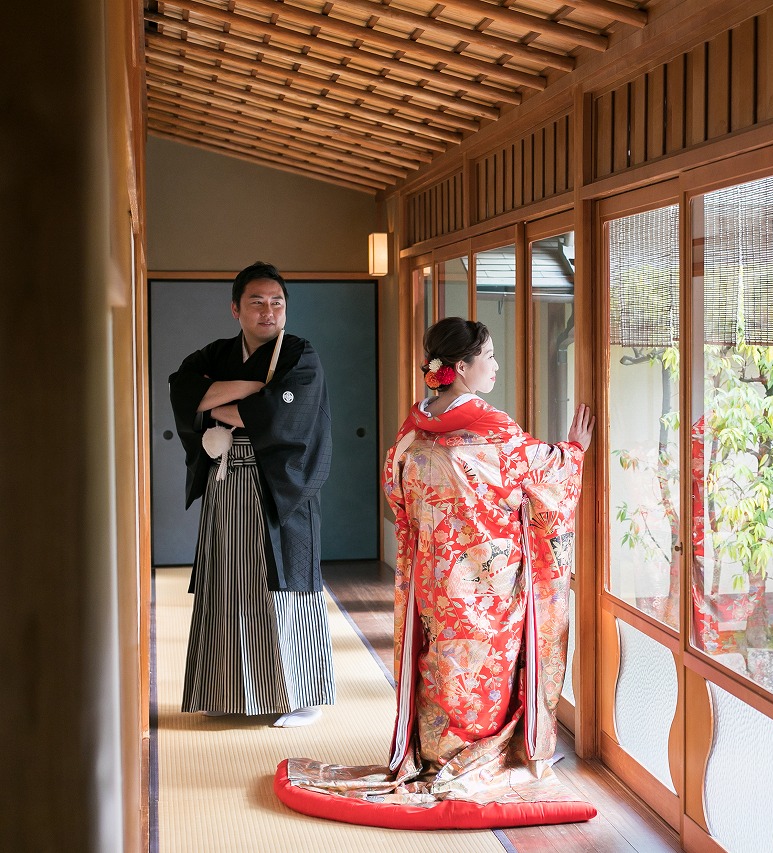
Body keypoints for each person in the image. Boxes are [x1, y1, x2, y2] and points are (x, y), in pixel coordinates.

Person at [275, 316, 597, 829]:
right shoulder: (493, 429)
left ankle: (434, 751)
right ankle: (473, 753)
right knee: (482, 669)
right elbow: (544, 476)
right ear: (462, 367)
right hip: (488, 581)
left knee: (441, 660)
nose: (495, 365)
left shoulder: (414, 428)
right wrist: (573, 450)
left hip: (434, 573)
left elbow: (396, 492)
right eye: (488, 356)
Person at [168, 261, 335, 728]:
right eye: (257, 302)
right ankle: (224, 690)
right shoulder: (217, 353)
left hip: (281, 488)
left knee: (284, 586)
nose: (268, 311)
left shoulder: (300, 354)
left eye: (277, 302)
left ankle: (303, 696)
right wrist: (255, 390)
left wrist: (220, 403)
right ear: (235, 309)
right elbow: (183, 393)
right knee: (225, 582)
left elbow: (277, 416)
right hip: (225, 483)